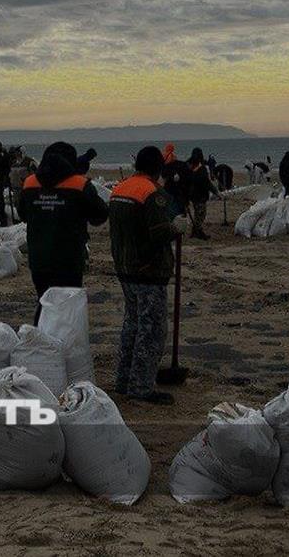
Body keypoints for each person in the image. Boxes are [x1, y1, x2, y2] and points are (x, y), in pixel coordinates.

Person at [108, 145, 189, 405]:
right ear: (158, 168)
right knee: (151, 329)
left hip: (125, 267)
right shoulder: (152, 193)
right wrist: (175, 228)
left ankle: (123, 380)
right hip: (148, 270)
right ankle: (141, 386)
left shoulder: (119, 189)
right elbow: (157, 232)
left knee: (132, 325)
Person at [17, 142, 109, 321]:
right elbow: (100, 216)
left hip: (39, 259)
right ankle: (61, 338)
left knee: (45, 303)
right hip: (69, 259)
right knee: (67, 309)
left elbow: (23, 214)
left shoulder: (30, 183)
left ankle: (42, 335)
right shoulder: (80, 184)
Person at [186, 148, 218, 239]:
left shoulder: (189, 165)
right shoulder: (201, 168)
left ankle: (195, 231)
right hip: (200, 195)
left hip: (192, 194)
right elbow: (207, 182)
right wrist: (216, 192)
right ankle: (198, 231)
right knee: (201, 214)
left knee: (197, 213)